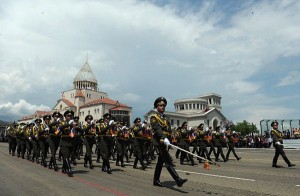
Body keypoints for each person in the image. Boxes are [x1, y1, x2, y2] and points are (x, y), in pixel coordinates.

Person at [151, 97, 187, 187]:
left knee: (160, 161)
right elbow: (157, 129)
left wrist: (169, 141)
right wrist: (164, 138)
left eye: (164, 105)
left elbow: (169, 131)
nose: (163, 107)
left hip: (165, 141)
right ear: (156, 106)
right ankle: (177, 180)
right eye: (161, 105)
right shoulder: (153, 117)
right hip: (159, 141)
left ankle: (156, 180)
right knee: (167, 160)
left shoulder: (166, 117)